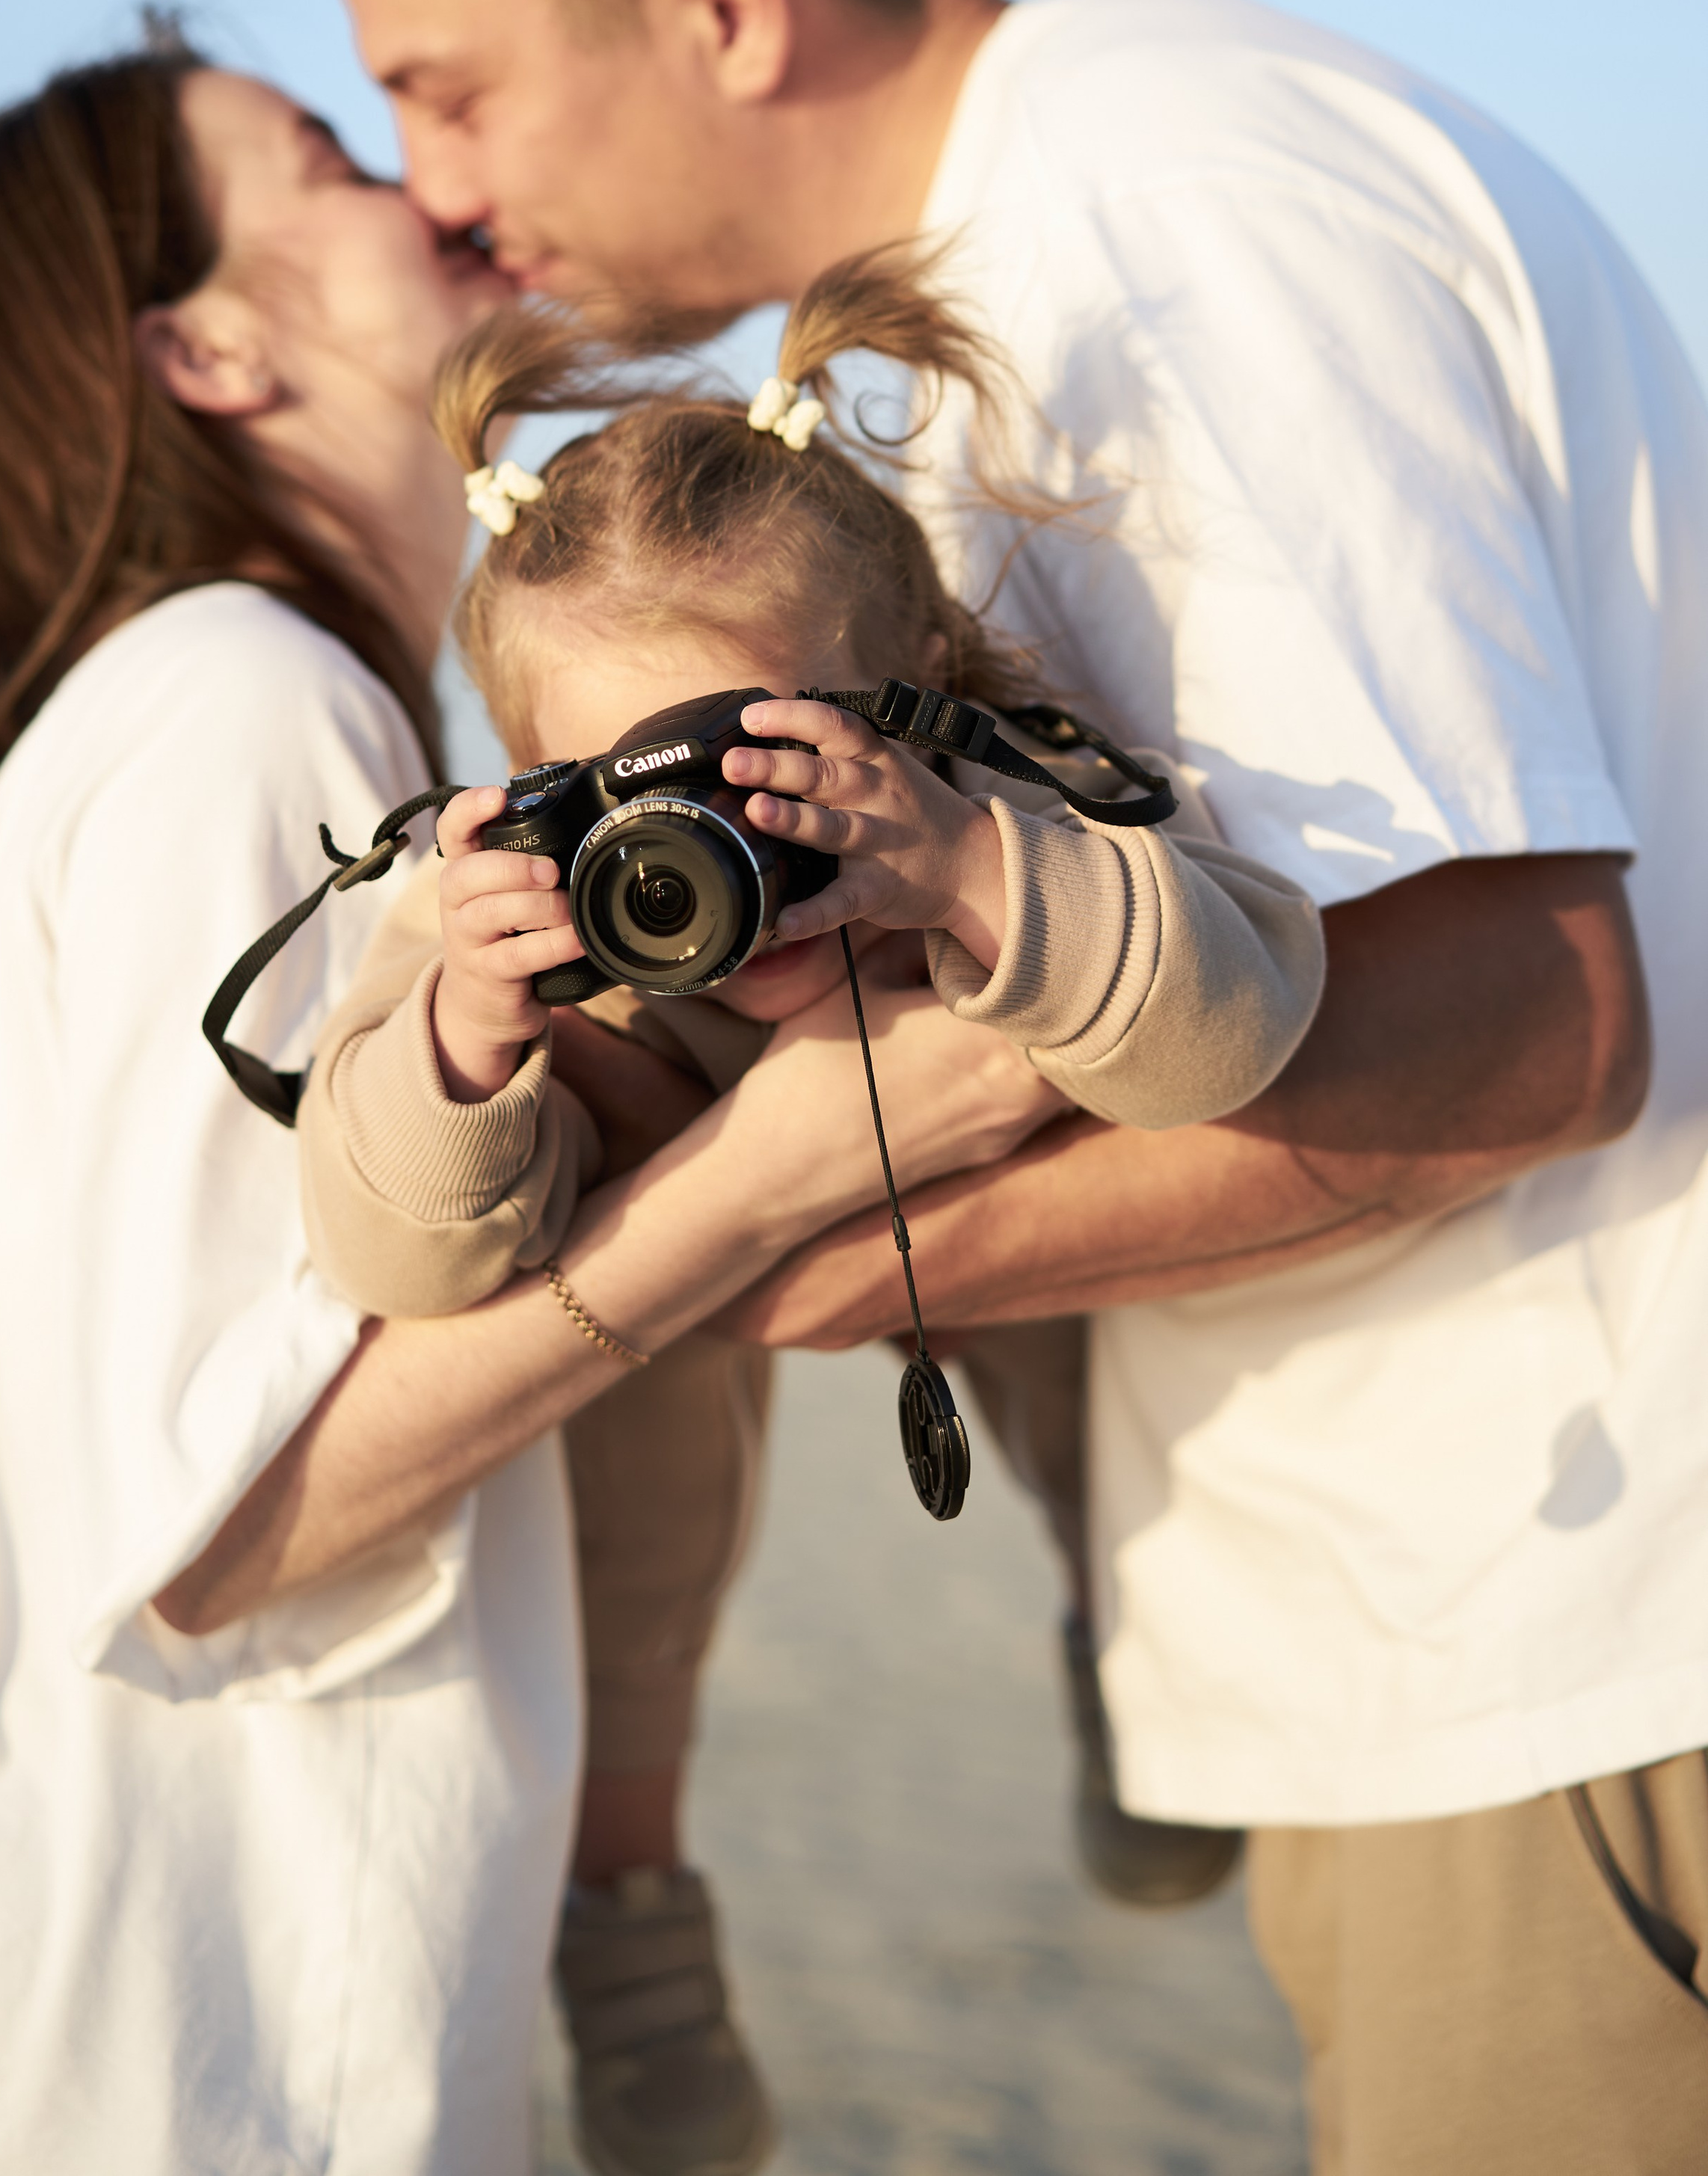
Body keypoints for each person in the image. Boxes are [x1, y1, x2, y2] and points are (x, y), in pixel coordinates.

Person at [309, 0, 1708, 2171]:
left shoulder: (1157, 231)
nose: (443, 200)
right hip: (1471, 1634)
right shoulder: (1058, 250)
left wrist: (767, 1254)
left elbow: (1538, 1015)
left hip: (1566, 1641)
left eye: (446, 87)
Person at [0, 37, 1045, 2175]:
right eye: (332, 164)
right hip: (135, 2038)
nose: (436, 193)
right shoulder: (241, 705)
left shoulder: (213, 698)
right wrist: (786, 1171)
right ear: (207, 341)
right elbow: (220, 1531)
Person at [293, 251, 1324, 2175]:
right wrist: (458, 1028)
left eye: (756, 769)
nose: (706, 857)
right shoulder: (500, 917)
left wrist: (975, 875)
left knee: (1080, 1330)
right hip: (674, 1238)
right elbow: (391, 1253)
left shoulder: (989, 794)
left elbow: (1237, 1028)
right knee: (625, 1447)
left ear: (911, 695)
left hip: (993, 1210)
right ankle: (635, 1920)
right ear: (528, 784)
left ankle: (1121, 1640)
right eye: (623, 793)